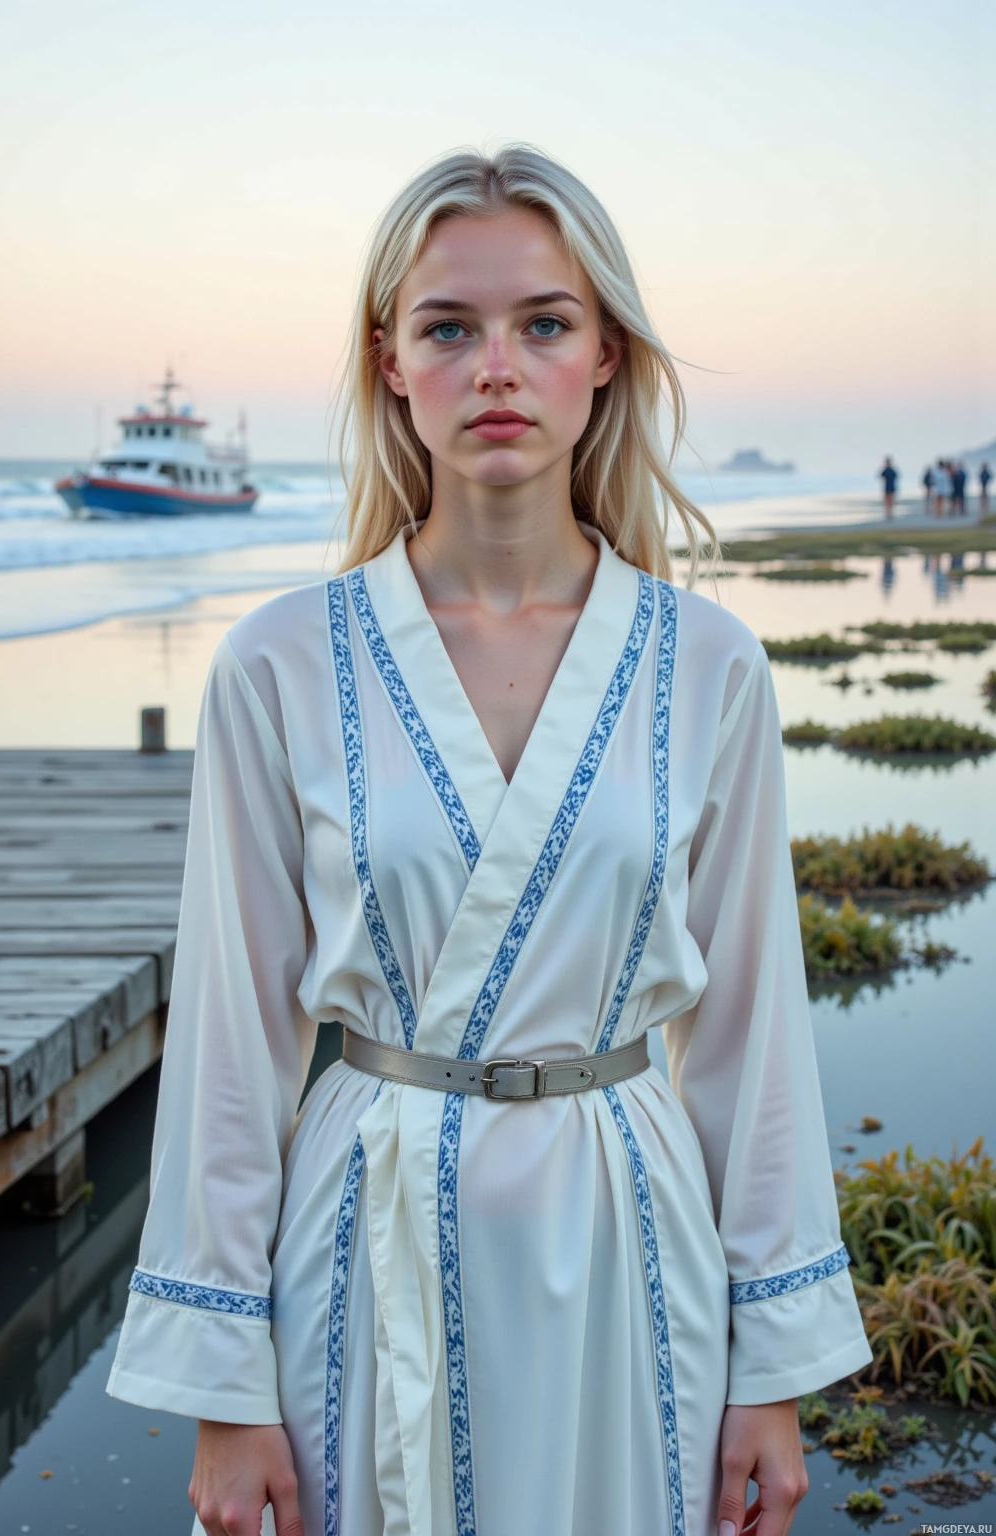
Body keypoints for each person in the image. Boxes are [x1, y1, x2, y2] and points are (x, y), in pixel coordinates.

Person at [106, 144, 872, 1536]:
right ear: (389, 360)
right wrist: (228, 1389)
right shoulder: (280, 665)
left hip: (629, 1245)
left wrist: (775, 1372)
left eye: (545, 323)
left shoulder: (709, 666)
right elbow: (230, 1044)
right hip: (363, 1240)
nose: (497, 366)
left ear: (606, 359)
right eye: (450, 327)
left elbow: (758, 1040)